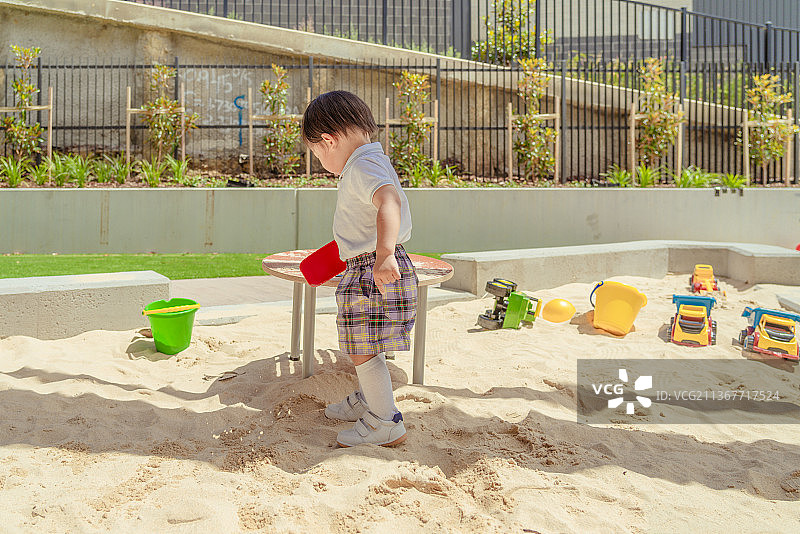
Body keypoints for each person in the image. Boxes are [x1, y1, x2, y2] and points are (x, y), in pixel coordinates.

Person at [301, 90, 417, 447]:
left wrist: (382, 255)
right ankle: (373, 397)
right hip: (370, 262)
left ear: (328, 140)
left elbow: (389, 201)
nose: (321, 160)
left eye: (317, 154)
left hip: (373, 266)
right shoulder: (371, 160)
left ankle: (385, 420)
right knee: (369, 340)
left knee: (360, 346)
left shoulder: (363, 167)